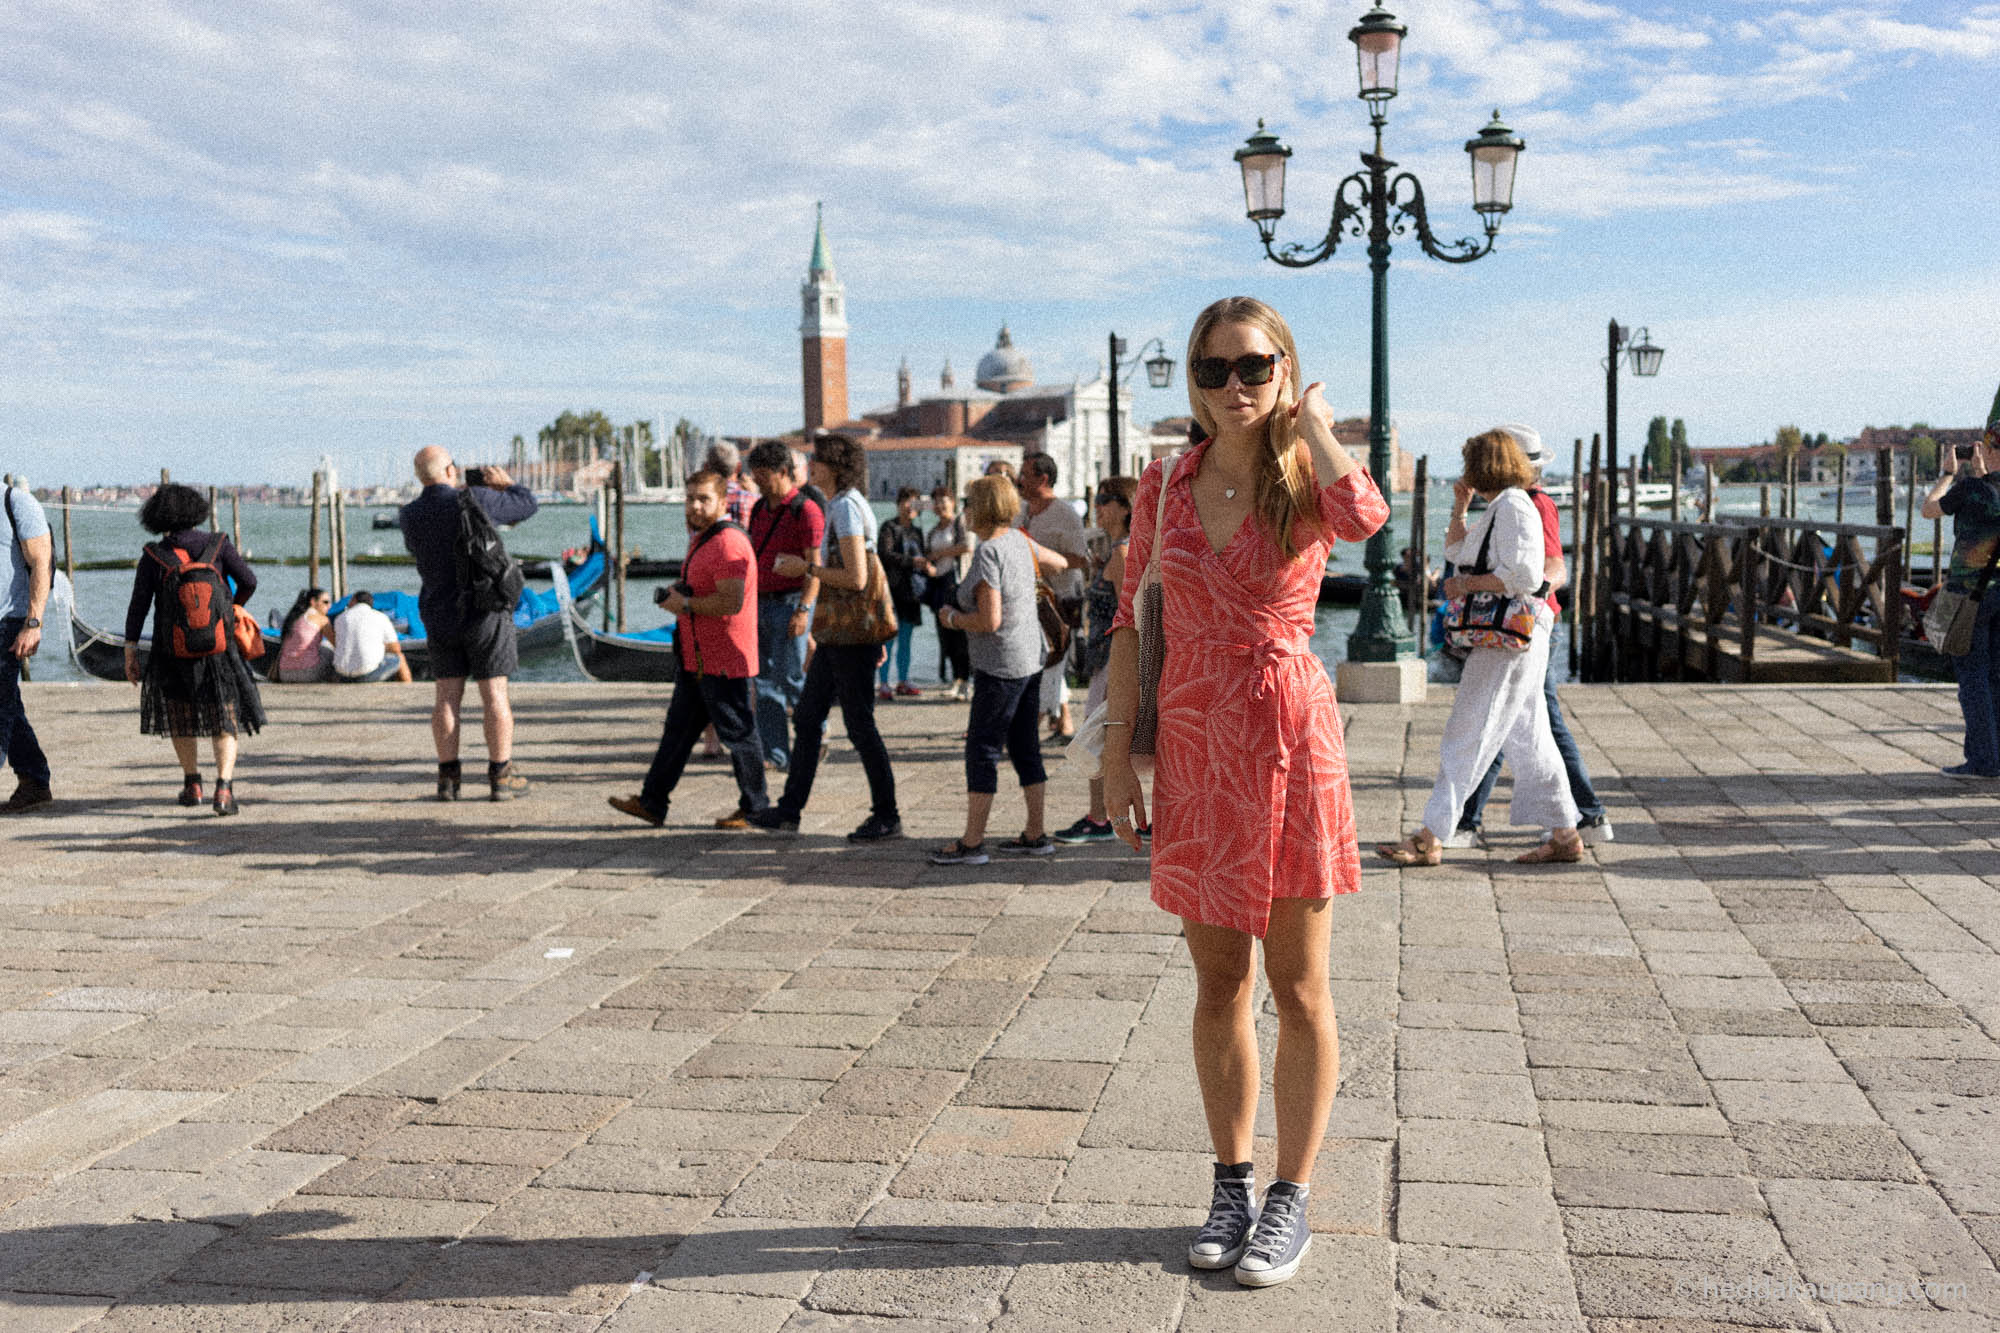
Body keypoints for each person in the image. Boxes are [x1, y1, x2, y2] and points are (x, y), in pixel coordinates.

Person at [1101, 296, 1388, 1289]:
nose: (1234, 386)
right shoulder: (1162, 485)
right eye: (1214, 368)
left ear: (1282, 367)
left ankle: (1290, 1195)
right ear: (1191, 376)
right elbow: (1133, 619)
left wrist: (1309, 424)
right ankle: (1230, 1180)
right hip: (1189, 741)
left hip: (1287, 732)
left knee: (1298, 985)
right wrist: (1113, 754)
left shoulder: (1306, 475)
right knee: (1217, 981)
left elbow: (1365, 518)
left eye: (1254, 367)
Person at [1378, 428, 1583, 867]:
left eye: (1470, 461)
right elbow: (1457, 548)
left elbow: (1525, 577)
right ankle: (1566, 833)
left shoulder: (1513, 507)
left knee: (1469, 727)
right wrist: (1458, 504)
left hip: (1507, 641)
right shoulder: (1501, 506)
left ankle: (1431, 835)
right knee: (1527, 736)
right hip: (1514, 638)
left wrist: (1465, 585)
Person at [1449, 424, 1613, 846]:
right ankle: (1575, 821)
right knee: (1522, 725)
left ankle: (1584, 817)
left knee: (1530, 725)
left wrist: (1523, 589)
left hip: (1526, 627)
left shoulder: (1532, 506)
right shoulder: (1509, 504)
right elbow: (1461, 552)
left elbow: (1554, 566)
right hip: (1525, 626)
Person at [749, 433, 902, 841]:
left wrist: (806, 568)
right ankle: (789, 809)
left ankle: (886, 814)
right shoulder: (839, 504)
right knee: (809, 716)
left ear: (833, 466)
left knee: (859, 725)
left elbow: (856, 577)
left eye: (816, 461)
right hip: (839, 635)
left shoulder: (847, 508)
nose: (809, 466)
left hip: (850, 636)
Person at [609, 469, 769, 828]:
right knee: (678, 732)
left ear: (723, 503)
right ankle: (652, 802)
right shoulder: (704, 538)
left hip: (722, 658)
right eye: (690, 498)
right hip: (698, 657)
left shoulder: (728, 543)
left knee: (738, 733)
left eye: (703, 499)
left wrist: (684, 605)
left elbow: (730, 602)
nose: (695, 506)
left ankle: (757, 807)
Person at [929, 475, 1074, 864]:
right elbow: (1059, 562)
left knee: (982, 749)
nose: (964, 510)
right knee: (1025, 746)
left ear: (982, 508)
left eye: (969, 503)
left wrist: (952, 618)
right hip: (1030, 657)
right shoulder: (1020, 541)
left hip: (1001, 664)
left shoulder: (990, 551)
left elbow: (990, 621)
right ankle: (1035, 833)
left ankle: (973, 843)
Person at [400, 448, 536, 801]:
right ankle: (501, 774)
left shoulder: (410, 514)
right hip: (483, 609)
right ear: (450, 469)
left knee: (446, 696)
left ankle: (448, 778)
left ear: (419, 476)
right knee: (494, 694)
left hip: (438, 610)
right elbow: (528, 504)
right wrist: (506, 485)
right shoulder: (473, 498)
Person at [122, 483, 265, 815]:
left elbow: (138, 607)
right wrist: (229, 609)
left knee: (180, 716)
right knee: (224, 715)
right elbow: (250, 581)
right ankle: (224, 789)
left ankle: (192, 783)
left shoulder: (153, 555)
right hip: (218, 649)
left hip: (171, 649)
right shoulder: (219, 546)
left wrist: (131, 651)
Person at [1054, 475, 1137, 844]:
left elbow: (1130, 616)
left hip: (1112, 661)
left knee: (1094, 738)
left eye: (1105, 500)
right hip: (1106, 659)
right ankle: (1108, 815)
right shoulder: (1120, 549)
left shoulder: (1122, 553)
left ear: (1125, 507)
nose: (1097, 506)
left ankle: (1100, 817)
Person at [1920, 395, 2000, 778]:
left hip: (1971, 596)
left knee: (1972, 678)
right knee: (1997, 677)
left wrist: (1949, 474)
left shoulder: (1969, 491)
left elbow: (1929, 508)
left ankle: (1983, 760)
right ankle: (1994, 756)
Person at [744, 439, 823, 773]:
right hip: (760, 604)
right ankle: (777, 755)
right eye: (755, 475)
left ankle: (812, 742)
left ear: (782, 472)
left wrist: (804, 609)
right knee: (762, 682)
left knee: (792, 679)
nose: (759, 482)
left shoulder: (806, 510)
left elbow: (815, 567)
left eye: (764, 475)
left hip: (791, 602)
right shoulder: (760, 509)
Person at [1015, 451, 1089, 739]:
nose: (1019, 481)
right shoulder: (1022, 510)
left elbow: (1081, 559)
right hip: (1028, 599)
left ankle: (1032, 726)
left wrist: (1045, 560)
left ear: (1043, 479)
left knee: (1049, 662)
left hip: (1058, 600)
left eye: (1025, 475)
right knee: (1045, 663)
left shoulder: (1065, 514)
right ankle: (1063, 720)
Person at [0, 478, 53, 813]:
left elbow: (41, 564)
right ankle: (34, 779)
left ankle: (34, 779)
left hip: (7, 622)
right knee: (7, 702)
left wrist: (33, 623)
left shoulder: (16, 503)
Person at [876, 487, 929, 699]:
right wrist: (911, 561)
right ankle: (884, 683)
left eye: (914, 502)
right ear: (898, 504)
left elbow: (924, 555)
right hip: (891, 590)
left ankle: (904, 679)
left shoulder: (917, 531)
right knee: (888, 638)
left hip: (911, 592)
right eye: (906, 501)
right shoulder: (889, 527)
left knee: (906, 638)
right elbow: (884, 554)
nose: (910, 507)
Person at [925, 485, 975, 698]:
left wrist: (939, 553)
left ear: (953, 502)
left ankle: (965, 681)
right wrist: (929, 565)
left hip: (957, 583)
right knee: (945, 635)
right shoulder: (933, 530)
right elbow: (929, 555)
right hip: (939, 584)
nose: (940, 504)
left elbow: (967, 546)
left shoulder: (959, 522)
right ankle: (955, 680)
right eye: (936, 501)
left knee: (961, 635)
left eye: (944, 500)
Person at [330, 591, 412, 683]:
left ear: (353, 600)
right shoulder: (380, 617)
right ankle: (408, 687)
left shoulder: (339, 618)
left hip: (341, 675)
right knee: (399, 657)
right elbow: (396, 648)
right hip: (367, 675)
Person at [273, 588, 335, 683]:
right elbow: (336, 644)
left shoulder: (293, 617)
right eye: (325, 602)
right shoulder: (322, 619)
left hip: (284, 674)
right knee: (328, 650)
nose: (329, 606)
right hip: (308, 674)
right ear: (313, 602)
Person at [704, 442, 756, 529]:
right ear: (738, 467)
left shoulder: (697, 503)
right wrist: (753, 494)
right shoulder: (751, 500)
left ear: (706, 467)